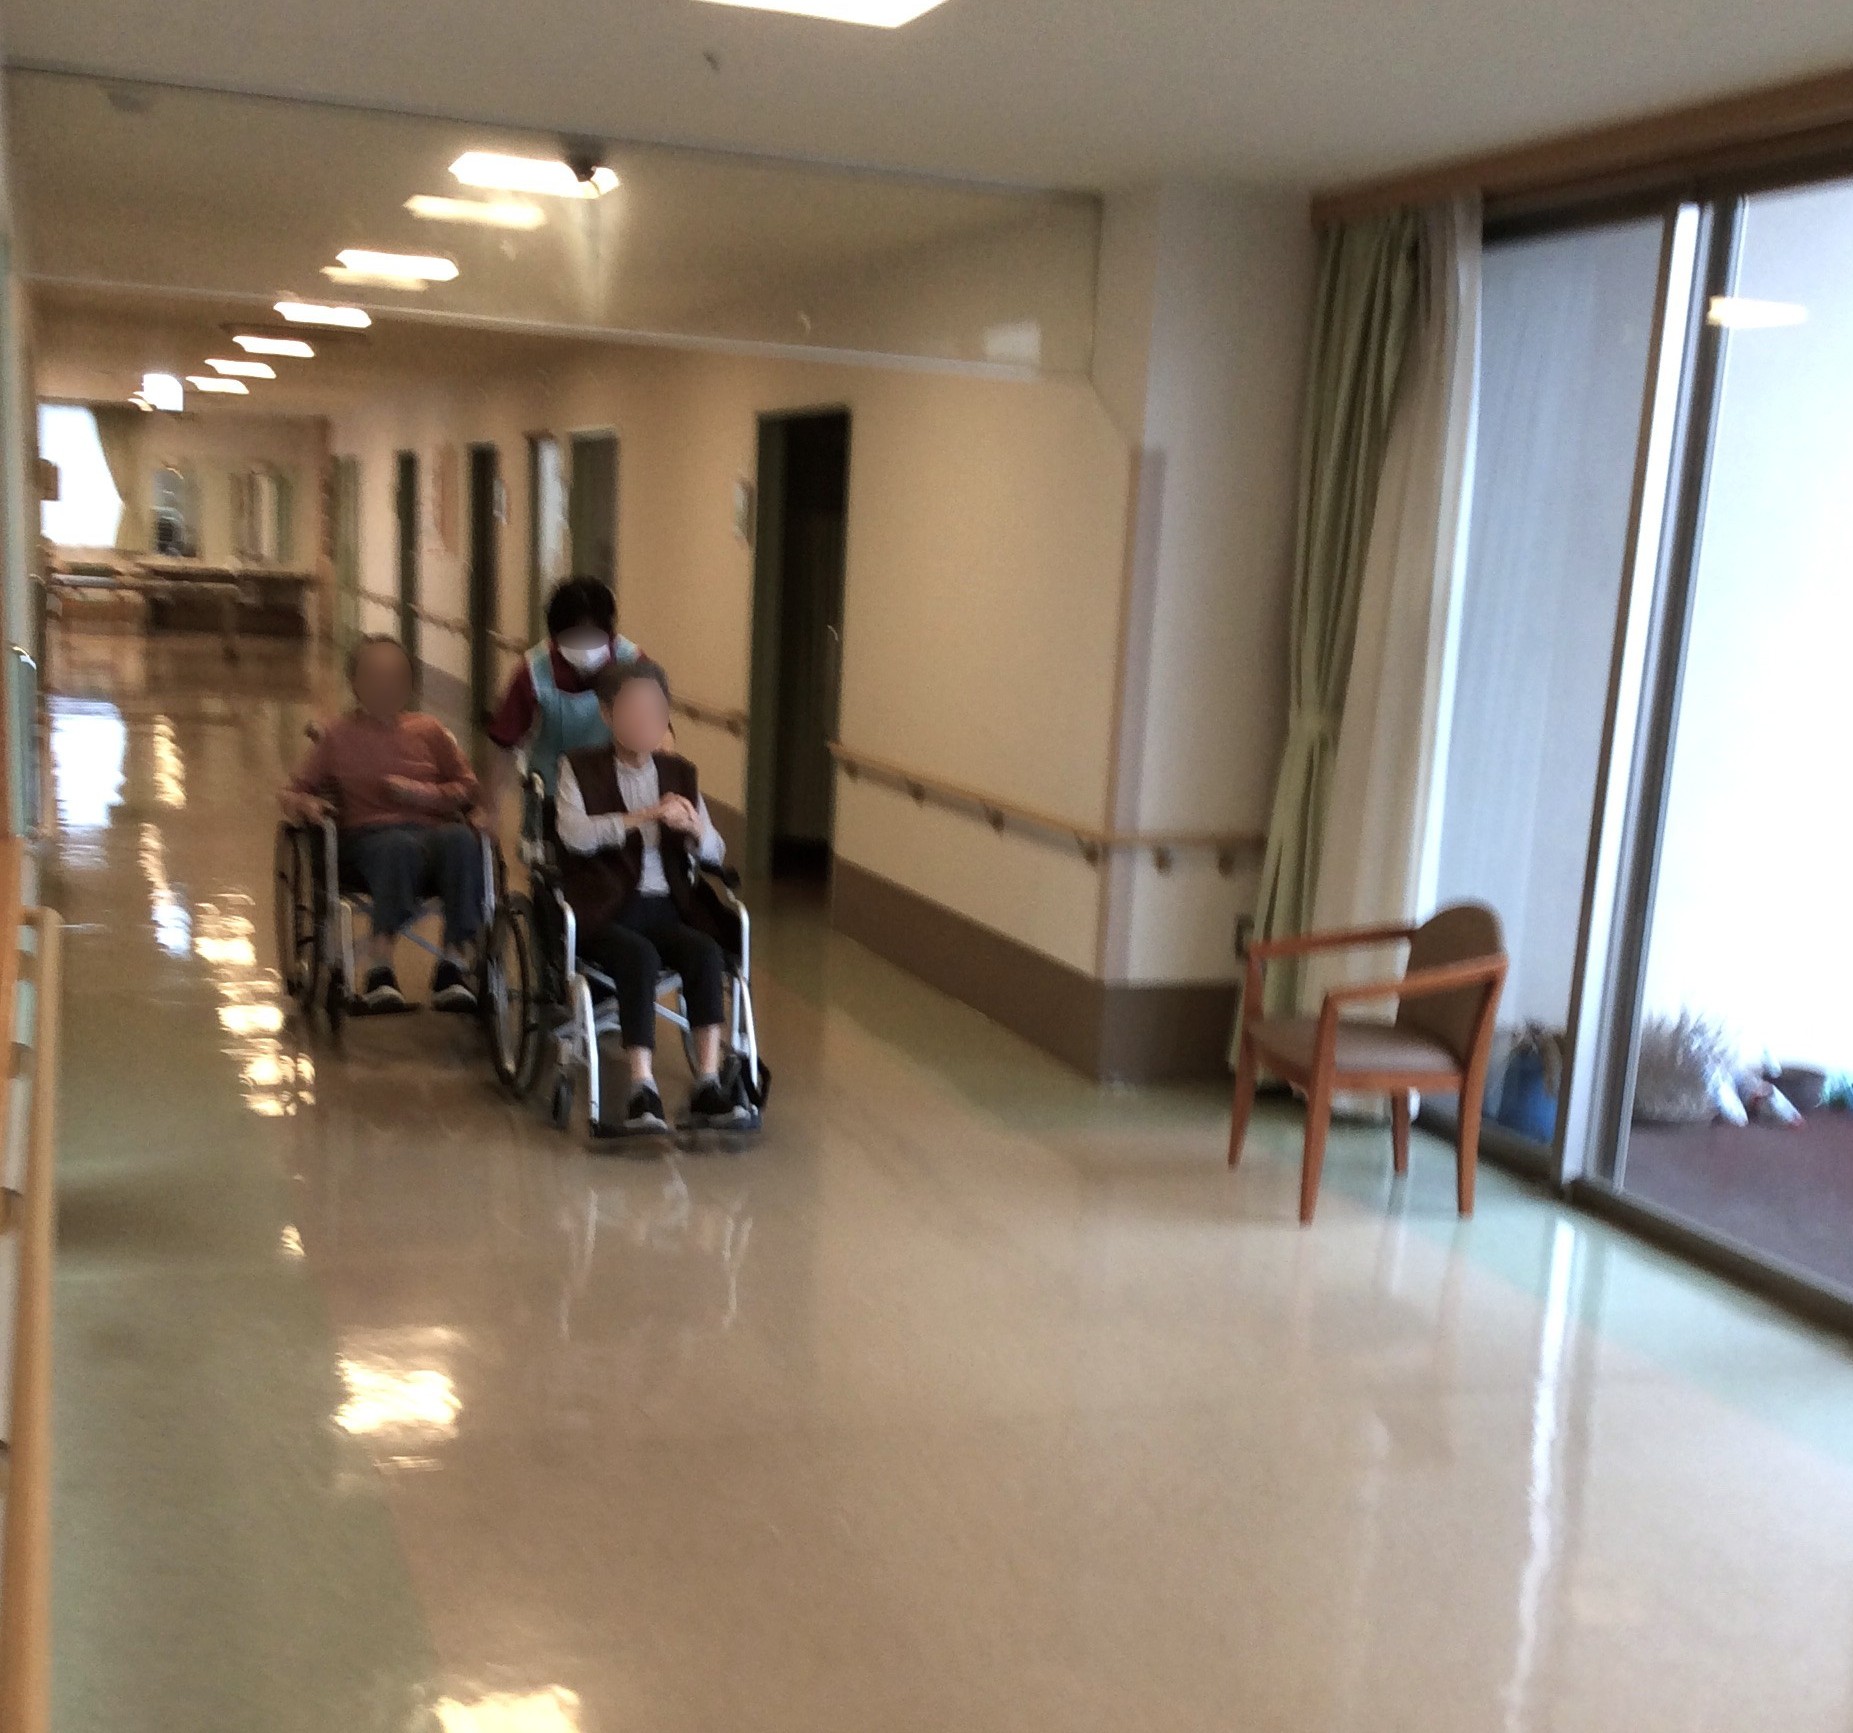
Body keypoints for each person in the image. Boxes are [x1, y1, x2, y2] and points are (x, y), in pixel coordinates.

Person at [555, 659, 749, 1134]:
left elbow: (715, 850)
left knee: (705, 951)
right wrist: (642, 816)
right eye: (634, 709)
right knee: (638, 956)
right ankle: (642, 1086)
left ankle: (707, 1082)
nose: (646, 719)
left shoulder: (680, 773)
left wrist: (695, 827)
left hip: (668, 905)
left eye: (655, 710)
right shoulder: (578, 768)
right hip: (606, 907)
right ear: (608, 714)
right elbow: (574, 835)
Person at [280, 635, 484, 1014]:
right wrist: (309, 805)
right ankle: (380, 969)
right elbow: (292, 792)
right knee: (397, 847)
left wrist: (422, 794)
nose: (386, 686)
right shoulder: (336, 736)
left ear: (410, 684)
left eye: (396, 677)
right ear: (355, 683)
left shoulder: (430, 731)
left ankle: (453, 966)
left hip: (433, 832)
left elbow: (469, 787)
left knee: (461, 840)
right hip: (367, 840)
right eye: (375, 677)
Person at [485, 575, 644, 812]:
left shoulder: (631, 662)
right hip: (551, 792)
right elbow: (504, 742)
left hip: (614, 791)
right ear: (555, 637)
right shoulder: (534, 670)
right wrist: (490, 808)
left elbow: (659, 732)